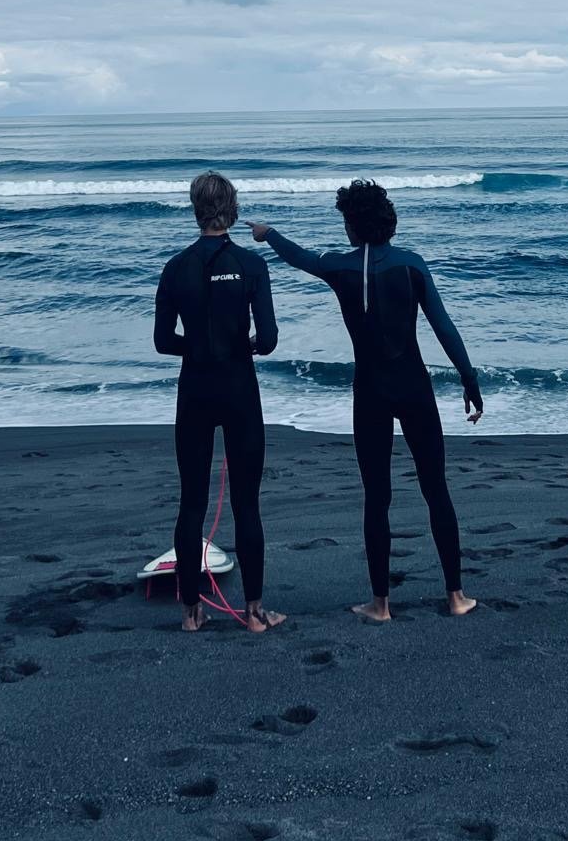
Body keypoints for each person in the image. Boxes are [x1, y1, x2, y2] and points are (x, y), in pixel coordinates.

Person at [248, 179, 483, 622]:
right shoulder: (413, 265)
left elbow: (300, 258)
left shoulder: (339, 267)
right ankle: (455, 597)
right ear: (389, 221)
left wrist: (268, 233)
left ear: (351, 227)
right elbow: (444, 327)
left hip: (370, 393)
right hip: (415, 388)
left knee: (377, 497)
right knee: (436, 490)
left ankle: (381, 604)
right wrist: (469, 380)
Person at [155, 171, 285, 634]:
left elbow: (161, 341)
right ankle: (254, 613)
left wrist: (199, 348)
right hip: (239, 390)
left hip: (194, 390)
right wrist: (240, 345)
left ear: (196, 209)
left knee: (191, 502)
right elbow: (267, 340)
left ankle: (191, 613)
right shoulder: (252, 265)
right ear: (231, 209)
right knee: (247, 503)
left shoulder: (175, 267)